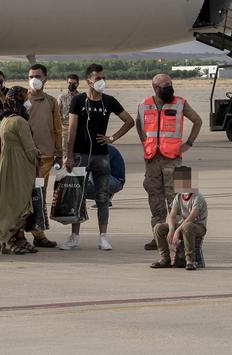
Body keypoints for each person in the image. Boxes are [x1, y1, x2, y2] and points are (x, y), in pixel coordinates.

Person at [62, 63, 135, 251]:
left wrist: (111, 138)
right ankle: (74, 236)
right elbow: (72, 129)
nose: (102, 81)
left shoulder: (109, 101)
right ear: (89, 81)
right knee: (78, 195)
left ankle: (103, 237)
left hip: (101, 156)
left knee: (102, 198)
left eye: (103, 78)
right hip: (80, 155)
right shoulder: (78, 101)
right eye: (98, 79)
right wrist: (69, 156)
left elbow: (129, 121)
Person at [136, 73, 203, 250]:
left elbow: (198, 121)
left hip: (175, 160)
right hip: (152, 160)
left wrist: (188, 143)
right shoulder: (144, 104)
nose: (170, 87)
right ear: (156, 88)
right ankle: (158, 237)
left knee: (181, 199)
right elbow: (138, 123)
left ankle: (181, 236)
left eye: (171, 84)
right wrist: (146, 142)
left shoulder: (180, 102)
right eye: (166, 85)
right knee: (155, 200)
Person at [0, 116, 39, 254]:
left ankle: (17, 239)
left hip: (6, 165)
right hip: (20, 168)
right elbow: (30, 150)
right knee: (19, 206)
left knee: (11, 204)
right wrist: (38, 158)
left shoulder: (4, 120)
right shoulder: (19, 121)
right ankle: (8, 240)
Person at [25, 64, 62, 248]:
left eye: (38, 76)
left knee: (39, 196)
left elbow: (57, 129)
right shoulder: (23, 99)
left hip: (46, 158)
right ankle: (19, 234)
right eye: (31, 76)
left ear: (46, 78)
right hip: (25, 157)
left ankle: (39, 234)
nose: (34, 79)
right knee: (23, 196)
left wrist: (59, 153)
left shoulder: (51, 101)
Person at [151, 166, 207, 271]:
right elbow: (172, 215)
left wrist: (177, 231)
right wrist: (171, 229)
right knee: (158, 228)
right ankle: (165, 259)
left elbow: (191, 217)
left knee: (187, 226)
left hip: (197, 227)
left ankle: (190, 260)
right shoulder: (178, 197)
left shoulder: (198, 197)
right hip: (183, 225)